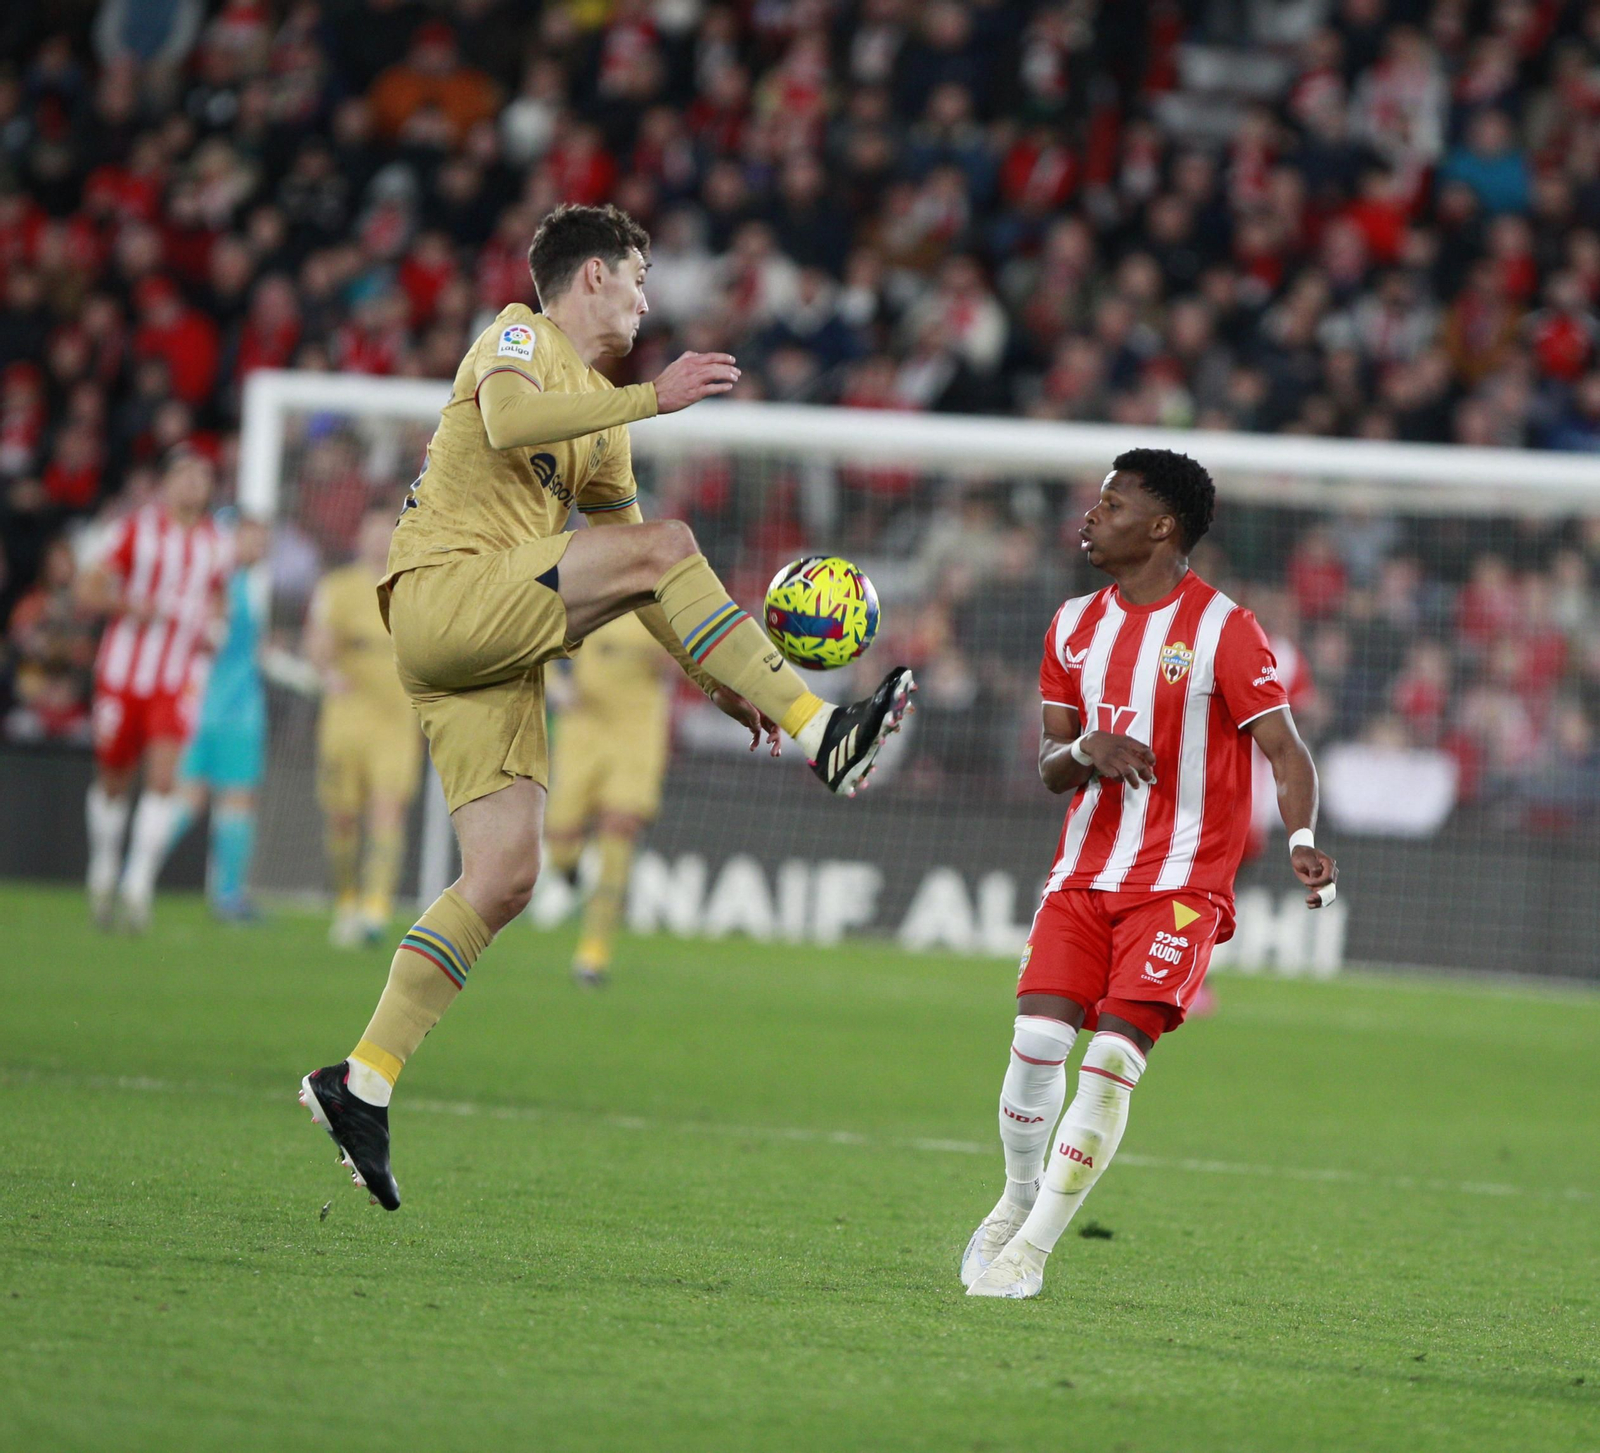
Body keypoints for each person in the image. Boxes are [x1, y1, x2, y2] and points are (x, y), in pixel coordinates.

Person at [300, 203, 913, 1210]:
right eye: (637, 276)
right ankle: (825, 733)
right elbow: (504, 423)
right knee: (667, 542)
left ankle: (361, 1079)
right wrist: (649, 403)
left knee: (504, 874)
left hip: (489, 645)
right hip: (444, 591)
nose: (645, 295)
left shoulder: (604, 428)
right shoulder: (517, 336)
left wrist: (721, 681)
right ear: (591, 278)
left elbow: (643, 578)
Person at [961, 449, 1338, 1299]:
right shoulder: (1070, 624)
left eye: (1112, 504)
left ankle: (1031, 1252)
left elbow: (1285, 747)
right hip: (1085, 871)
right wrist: (1084, 749)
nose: (1091, 515)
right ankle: (1014, 1201)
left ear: (1162, 526)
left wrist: (1302, 834)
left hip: (1181, 886)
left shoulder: (1225, 629)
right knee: (1036, 1045)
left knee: (1111, 1060)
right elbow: (1053, 767)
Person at [80, 448, 229, 931]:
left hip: (176, 678)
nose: (194, 485)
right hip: (123, 675)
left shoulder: (216, 543)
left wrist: (215, 628)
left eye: (202, 477)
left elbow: (218, 602)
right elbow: (87, 589)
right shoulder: (134, 530)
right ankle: (103, 865)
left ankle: (137, 884)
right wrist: (128, 605)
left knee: (164, 778)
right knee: (114, 779)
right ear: (167, 483)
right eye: (186, 475)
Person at [305, 506, 425, 947]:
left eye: (388, 533)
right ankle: (347, 900)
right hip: (347, 715)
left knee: (387, 807)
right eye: (373, 531)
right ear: (359, 537)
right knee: (342, 817)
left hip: (396, 720)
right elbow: (317, 641)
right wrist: (327, 671)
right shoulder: (336, 588)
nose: (381, 540)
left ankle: (376, 908)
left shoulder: (413, 586)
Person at [543, 609, 673, 986]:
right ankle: (566, 869)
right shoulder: (588, 593)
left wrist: (675, 658)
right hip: (582, 727)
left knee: (619, 827)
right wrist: (556, 687)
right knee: (561, 838)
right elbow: (538, 646)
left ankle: (594, 952)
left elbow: (692, 661)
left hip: (637, 731)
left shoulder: (659, 605)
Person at [167, 514, 271, 920]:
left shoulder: (239, 584)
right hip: (232, 711)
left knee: (189, 799)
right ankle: (229, 897)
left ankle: (134, 873)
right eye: (253, 539)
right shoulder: (224, 584)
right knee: (233, 801)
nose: (260, 548)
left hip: (207, 707)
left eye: (264, 540)